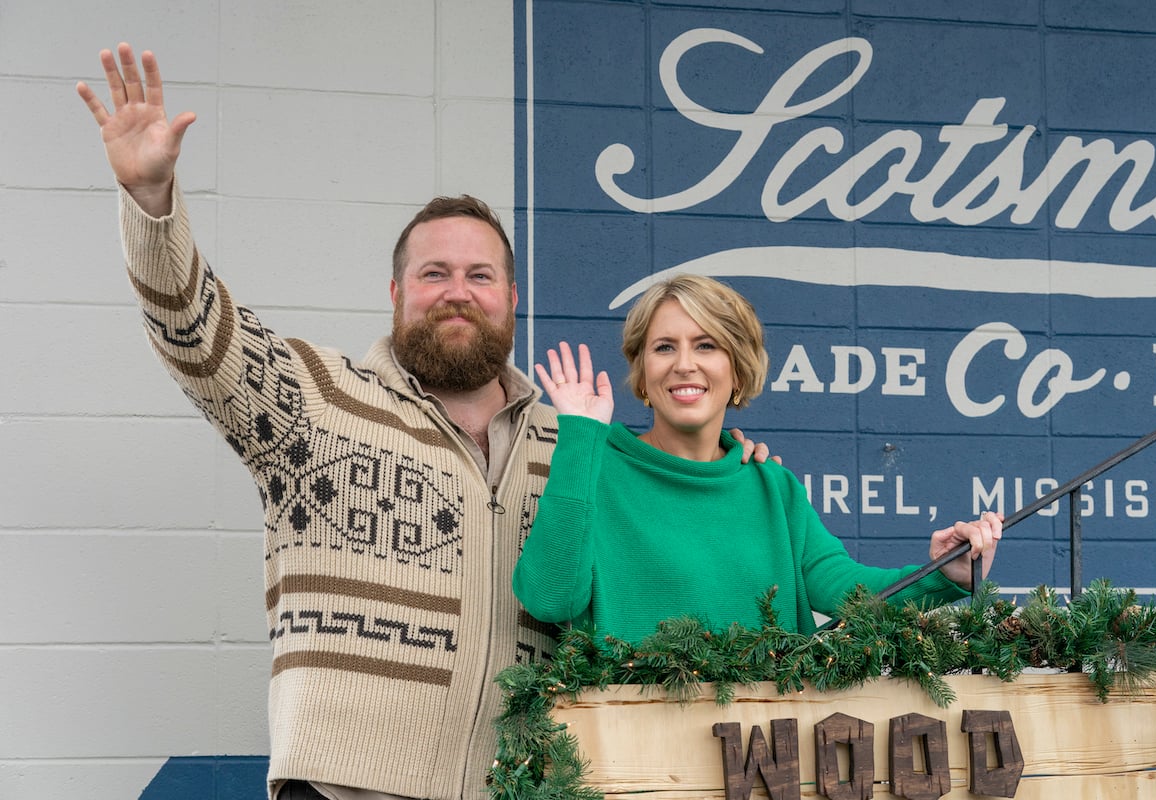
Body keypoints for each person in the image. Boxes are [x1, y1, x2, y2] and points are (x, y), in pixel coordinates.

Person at [76, 44, 775, 800]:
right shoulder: (316, 401)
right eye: (433, 274)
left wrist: (737, 469)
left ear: (512, 298)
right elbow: (196, 334)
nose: (456, 293)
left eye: (480, 276)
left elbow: (676, 521)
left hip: (519, 789)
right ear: (396, 292)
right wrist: (152, 204)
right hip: (345, 787)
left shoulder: (575, 444)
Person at [513, 274, 1003, 643]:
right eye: (664, 347)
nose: (685, 363)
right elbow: (550, 598)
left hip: (759, 765)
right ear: (643, 374)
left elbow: (850, 592)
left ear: (738, 371)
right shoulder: (596, 468)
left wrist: (944, 576)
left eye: (706, 345)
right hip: (633, 765)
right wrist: (580, 437)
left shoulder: (773, 487)